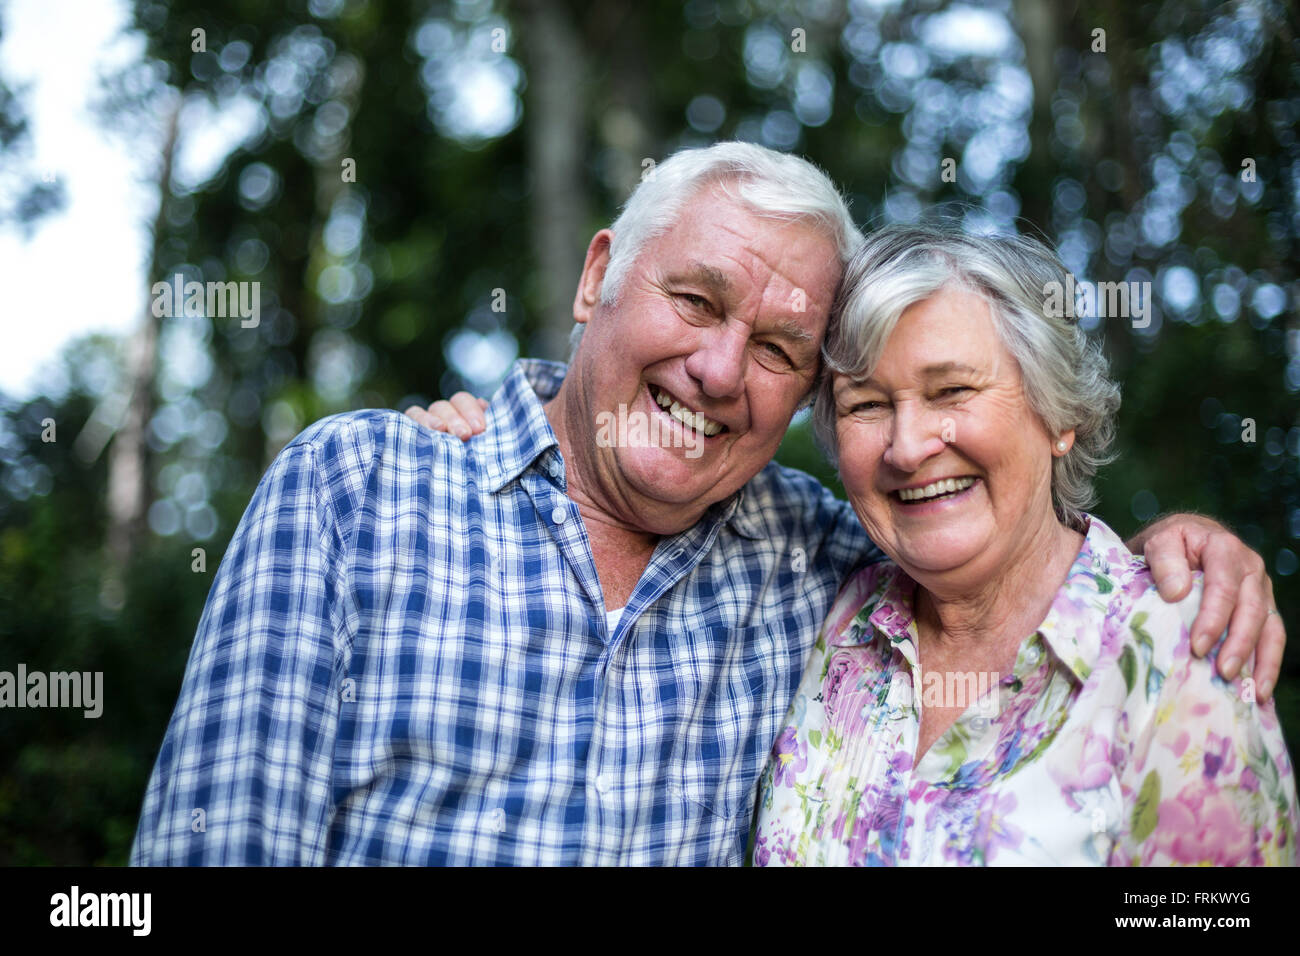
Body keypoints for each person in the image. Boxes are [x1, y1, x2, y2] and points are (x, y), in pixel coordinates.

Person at [132, 142, 1283, 866]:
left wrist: (1184, 544)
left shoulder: (820, 561)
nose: (721, 371)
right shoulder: (360, 491)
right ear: (595, 280)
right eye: (693, 298)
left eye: (781, 347)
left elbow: (992, 527)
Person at [752, 225, 1297, 866]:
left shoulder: (1178, 651)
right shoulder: (831, 612)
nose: (906, 447)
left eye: (952, 390)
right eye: (866, 404)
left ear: (1057, 412)